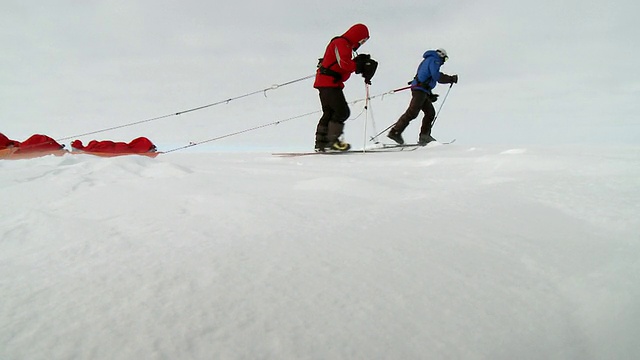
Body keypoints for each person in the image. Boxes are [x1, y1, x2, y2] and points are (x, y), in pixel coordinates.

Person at [313, 23, 376, 152]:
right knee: (342, 112)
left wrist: (357, 64)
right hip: (328, 83)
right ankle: (332, 142)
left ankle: (321, 143)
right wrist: (358, 65)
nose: (362, 43)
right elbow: (345, 64)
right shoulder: (341, 43)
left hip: (327, 83)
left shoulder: (345, 45)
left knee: (329, 112)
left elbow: (344, 69)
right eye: (362, 40)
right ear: (357, 35)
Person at [387, 48, 458, 146]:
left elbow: (426, 77)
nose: (444, 62)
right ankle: (395, 132)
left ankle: (424, 136)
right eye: (445, 59)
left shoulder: (429, 59)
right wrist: (451, 79)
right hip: (419, 90)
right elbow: (436, 76)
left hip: (422, 91)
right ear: (441, 55)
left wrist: (430, 94)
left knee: (430, 113)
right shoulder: (434, 60)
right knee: (412, 113)